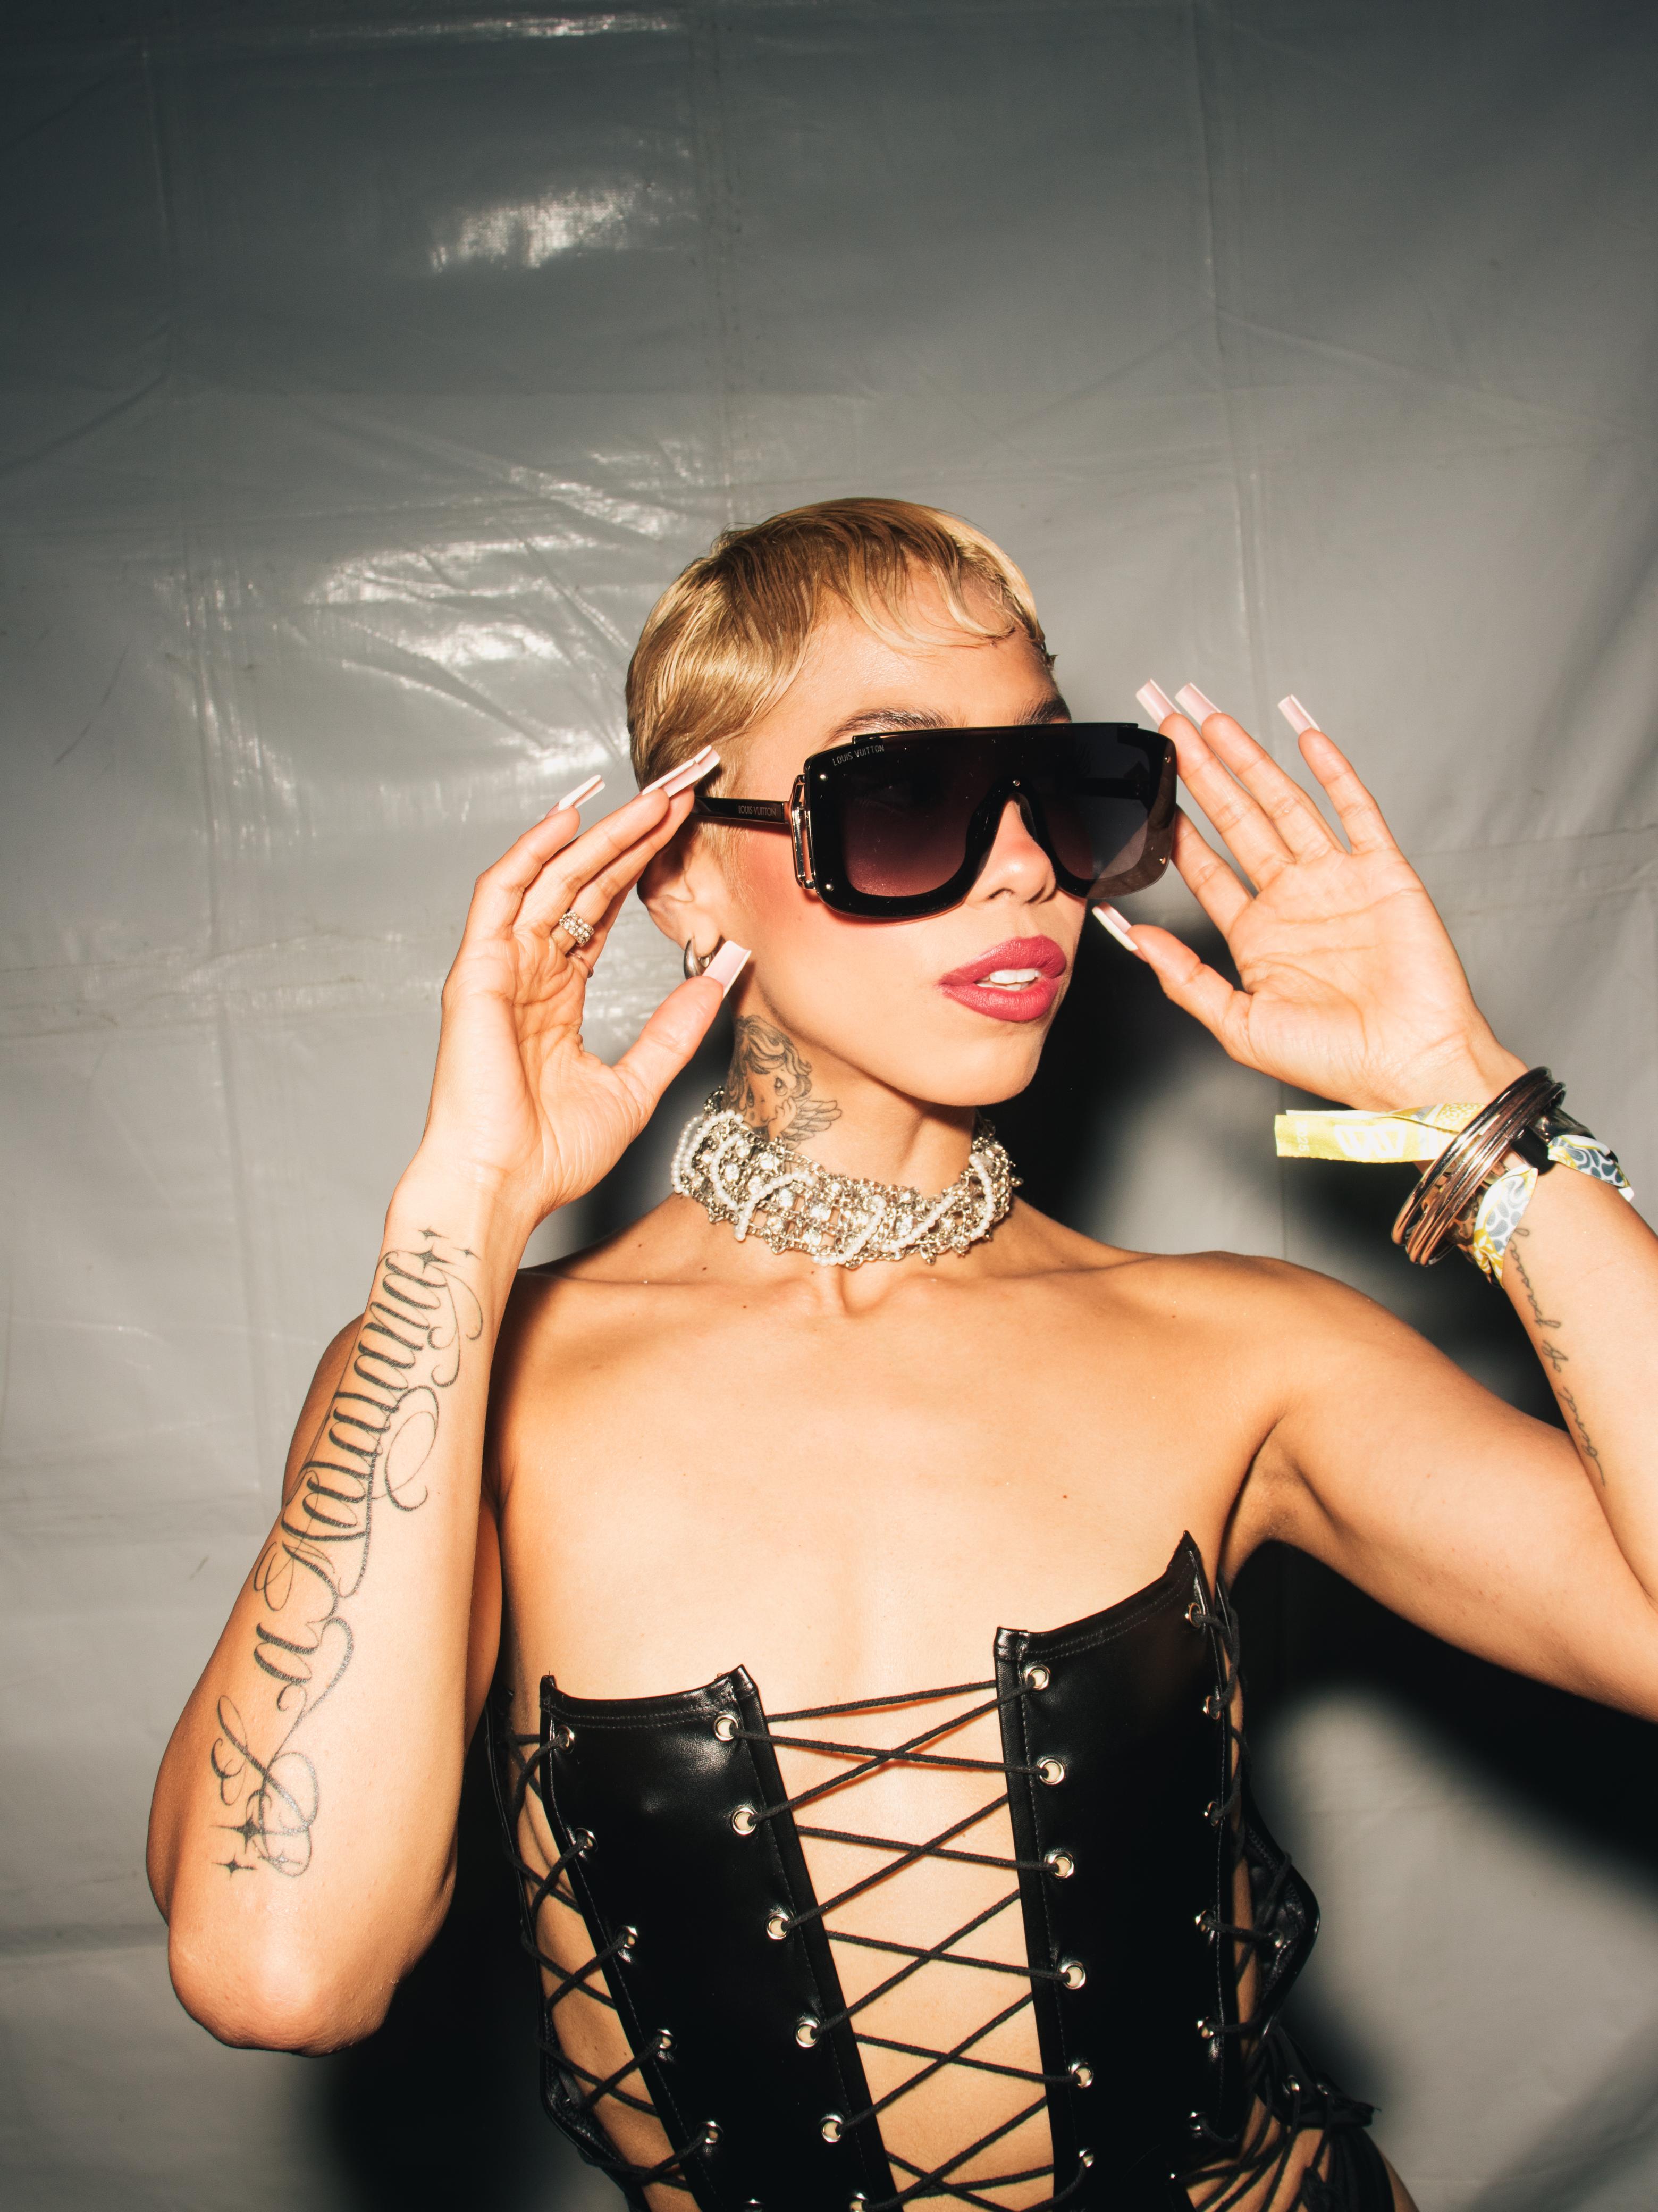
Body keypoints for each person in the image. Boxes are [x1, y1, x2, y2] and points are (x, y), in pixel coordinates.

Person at [148, 500, 1658, 2212]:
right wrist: (460, 1223)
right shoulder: (469, 1385)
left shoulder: (1248, 1350)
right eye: (906, 795)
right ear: (679, 870)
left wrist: (1473, 1107)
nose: (1024, 868)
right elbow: (281, 1968)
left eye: (1067, 788)